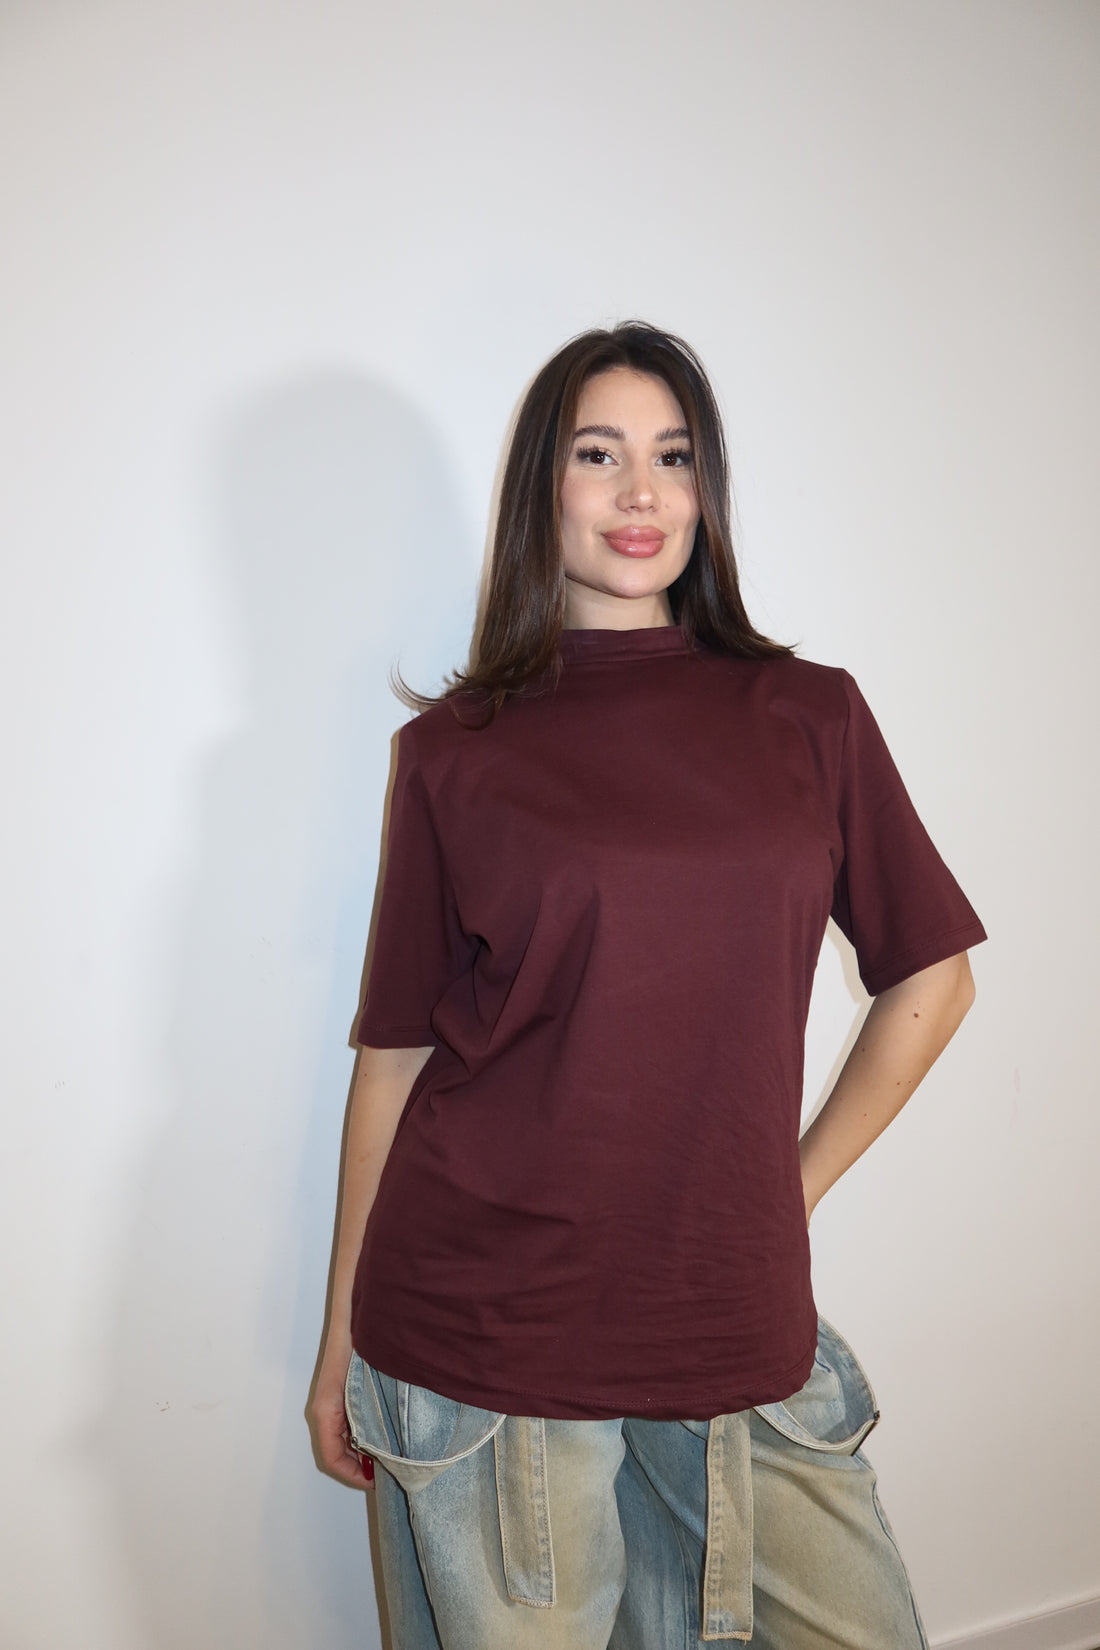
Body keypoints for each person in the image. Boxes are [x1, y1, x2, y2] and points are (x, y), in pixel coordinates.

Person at [310, 322, 986, 1650]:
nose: (640, 492)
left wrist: (787, 1188)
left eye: (673, 457)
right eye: (598, 454)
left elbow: (935, 980)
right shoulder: (453, 751)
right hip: (486, 1339)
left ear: (704, 489)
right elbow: (395, 1057)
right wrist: (338, 1335)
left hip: (731, 1319)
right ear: (541, 489)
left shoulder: (809, 715)